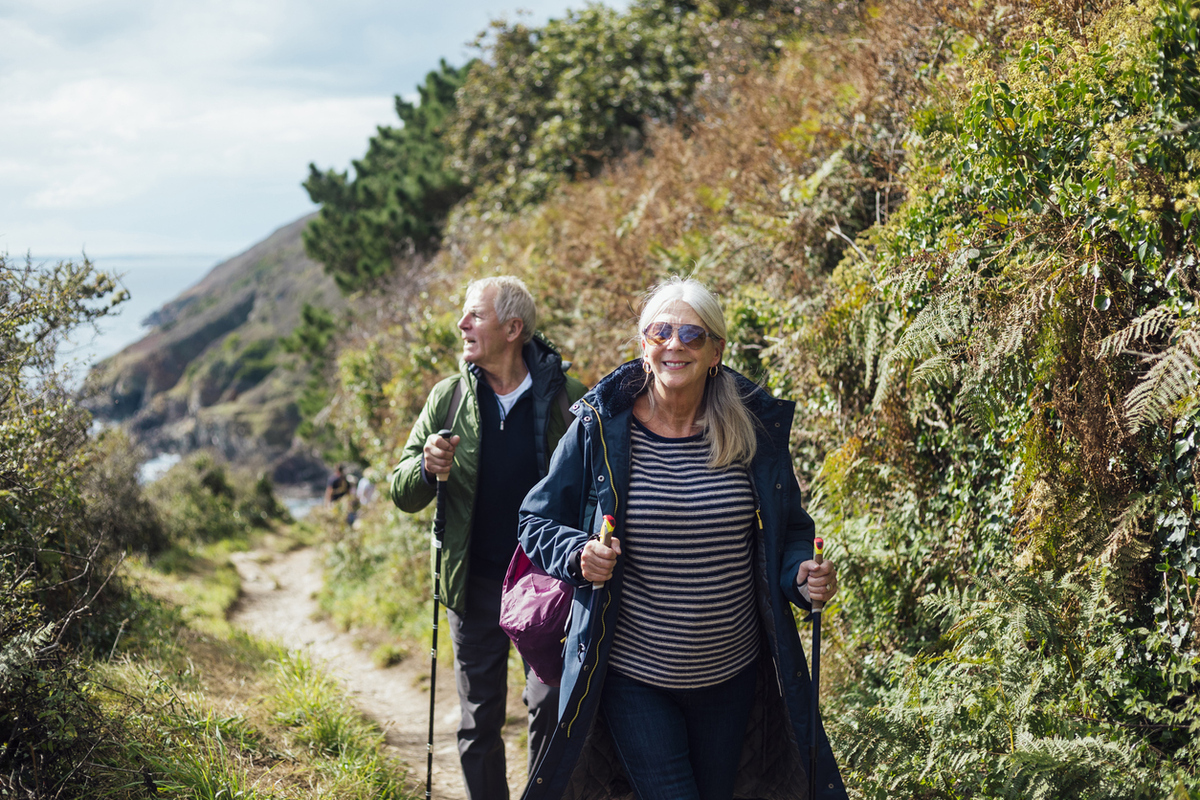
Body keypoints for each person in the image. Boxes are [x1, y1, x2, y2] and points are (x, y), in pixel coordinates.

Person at [517, 277, 847, 800]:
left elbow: (791, 533)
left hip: (731, 673)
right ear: (643, 345)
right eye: (661, 331)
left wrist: (801, 574)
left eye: (692, 335)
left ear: (717, 350)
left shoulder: (751, 431)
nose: (675, 345)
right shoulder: (599, 426)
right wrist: (579, 554)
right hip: (633, 672)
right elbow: (535, 519)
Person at [390, 276, 588, 800]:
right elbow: (402, 490)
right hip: (472, 585)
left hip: (546, 587)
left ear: (512, 328)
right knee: (479, 721)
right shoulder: (449, 398)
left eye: (474, 315)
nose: (462, 325)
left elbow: (596, 489)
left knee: (549, 705)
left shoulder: (569, 400)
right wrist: (427, 468)